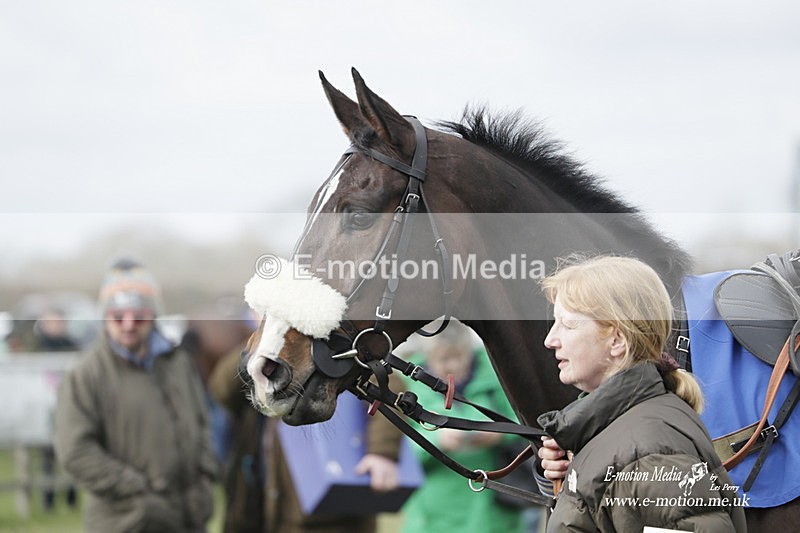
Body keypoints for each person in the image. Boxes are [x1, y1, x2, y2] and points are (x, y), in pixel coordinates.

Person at [536, 255, 746, 532]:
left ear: (616, 341)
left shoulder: (650, 451)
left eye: (568, 324)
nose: (550, 340)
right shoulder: (629, 434)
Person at [54, 258, 217, 533]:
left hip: (189, 519)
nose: (128, 324)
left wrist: (204, 473)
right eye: (118, 315)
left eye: (138, 314)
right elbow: (75, 451)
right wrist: (139, 492)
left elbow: (202, 422)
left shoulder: (178, 362)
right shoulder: (85, 374)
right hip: (127, 522)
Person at [209, 329, 404, 533]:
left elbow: (388, 386)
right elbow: (221, 389)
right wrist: (266, 338)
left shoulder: (328, 344)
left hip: (329, 516)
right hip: (265, 507)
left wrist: (383, 452)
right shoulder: (261, 348)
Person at [399, 320, 526, 533]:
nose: (454, 366)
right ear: (429, 358)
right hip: (434, 513)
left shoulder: (498, 377)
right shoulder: (408, 387)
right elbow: (396, 450)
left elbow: (527, 427)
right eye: (444, 358)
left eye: (459, 356)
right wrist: (437, 440)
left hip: (495, 510)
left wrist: (500, 434)